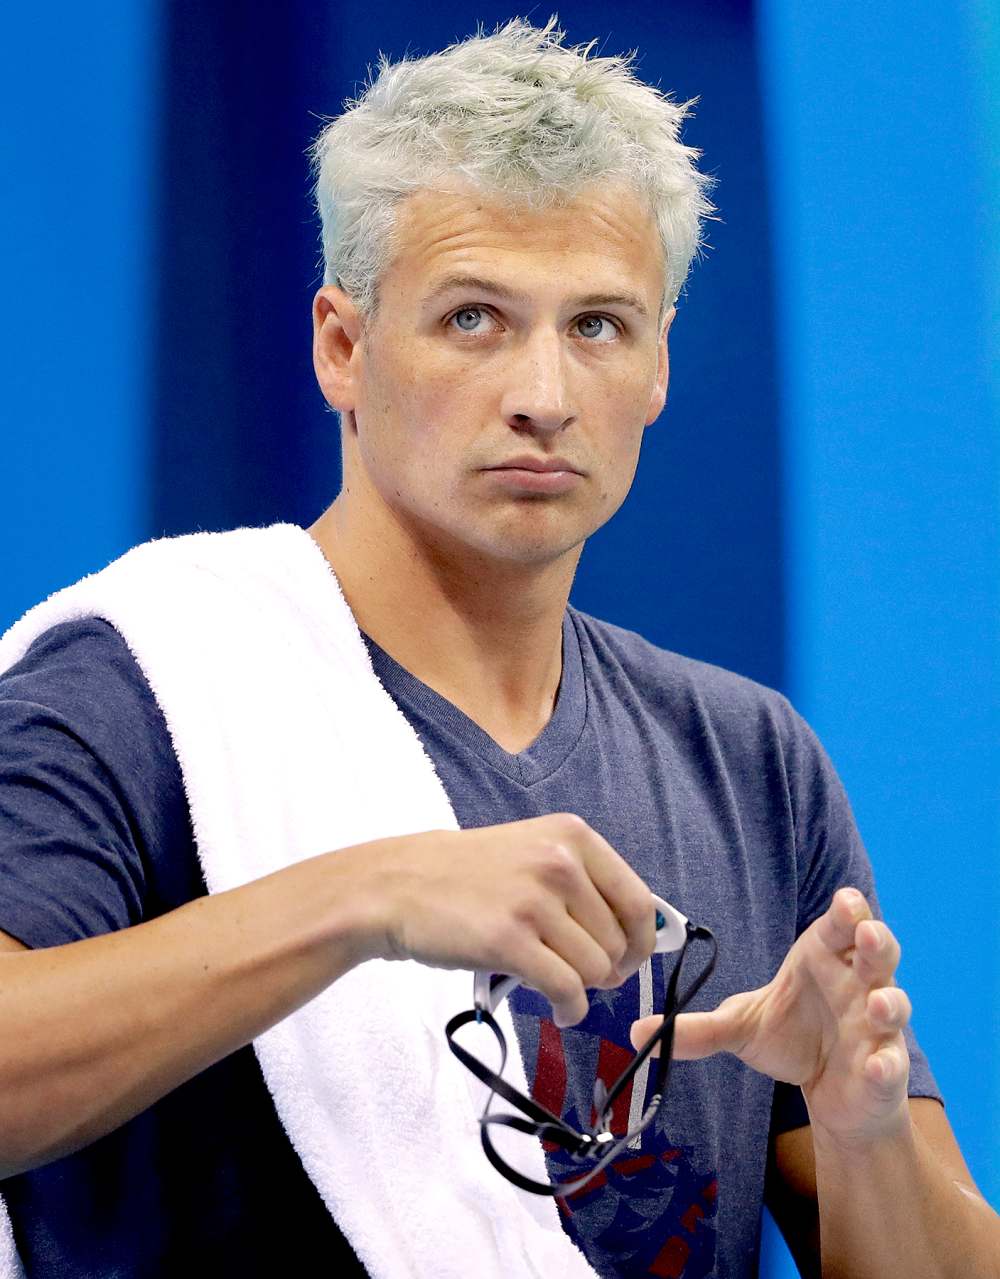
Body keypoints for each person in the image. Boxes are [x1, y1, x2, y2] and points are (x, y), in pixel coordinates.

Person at [0, 18, 996, 1279]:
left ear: (659, 369)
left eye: (597, 325)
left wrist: (861, 1136)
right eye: (474, 318)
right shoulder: (145, 682)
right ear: (341, 348)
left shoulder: (749, 759)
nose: (544, 391)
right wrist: (361, 897)